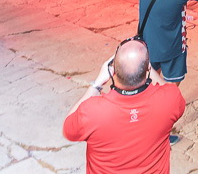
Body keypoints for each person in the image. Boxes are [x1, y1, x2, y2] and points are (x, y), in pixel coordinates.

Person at [62, 38, 185, 174]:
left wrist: (97, 84)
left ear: (112, 70)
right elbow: (168, 89)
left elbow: (68, 130)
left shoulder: (92, 111)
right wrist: (147, 67)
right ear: (148, 68)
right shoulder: (170, 99)